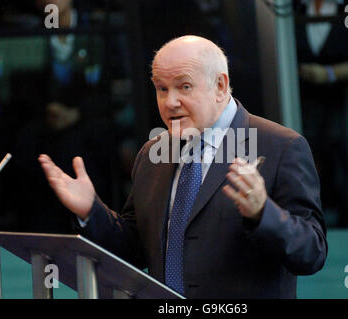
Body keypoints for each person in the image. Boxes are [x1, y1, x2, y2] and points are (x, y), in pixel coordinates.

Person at [38, 35, 327, 298]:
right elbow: (135, 250)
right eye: (161, 89)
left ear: (220, 86)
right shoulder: (153, 153)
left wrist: (263, 213)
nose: (170, 102)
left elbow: (312, 252)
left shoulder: (281, 147)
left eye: (183, 87)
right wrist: (91, 211)